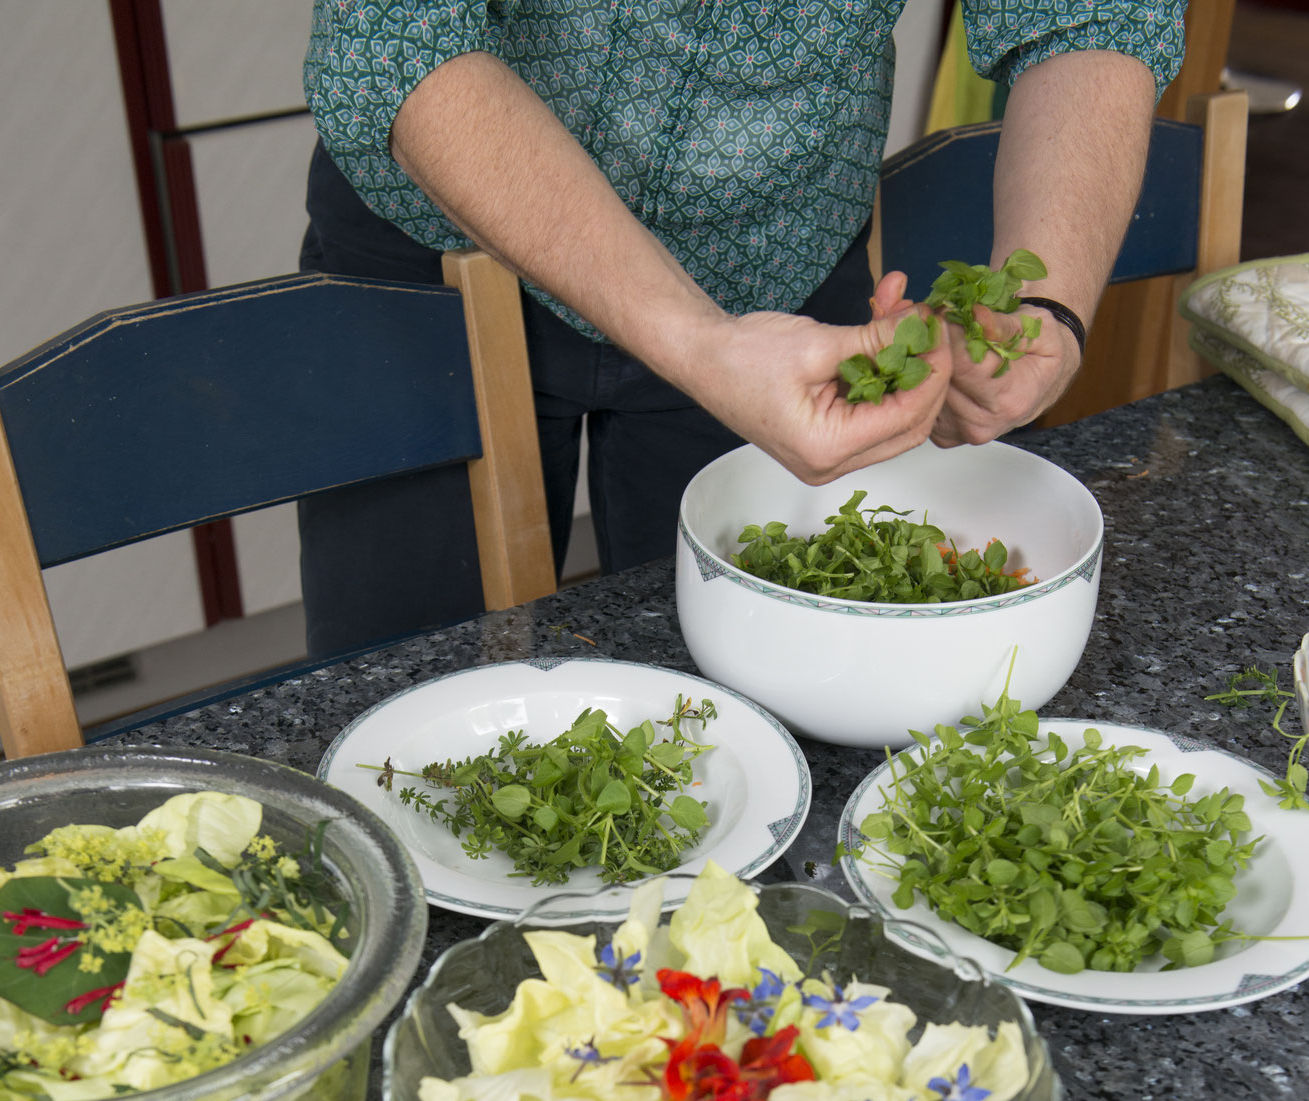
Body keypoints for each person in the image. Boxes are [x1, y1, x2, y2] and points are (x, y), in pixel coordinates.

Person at [298, 0, 1183, 658]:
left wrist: (1046, 307)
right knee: (401, 693)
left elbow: (1091, 15)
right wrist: (695, 340)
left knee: (757, 702)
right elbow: (397, 38)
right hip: (440, 239)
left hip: (782, 271)